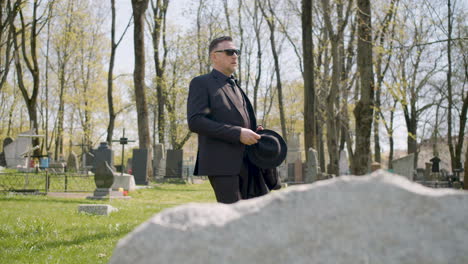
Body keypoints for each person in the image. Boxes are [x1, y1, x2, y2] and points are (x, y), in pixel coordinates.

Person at [187, 36, 265, 204]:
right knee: (233, 217)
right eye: (229, 52)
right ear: (214, 56)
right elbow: (196, 121)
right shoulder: (201, 83)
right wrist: (237, 133)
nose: (235, 56)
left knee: (254, 215)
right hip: (222, 164)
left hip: (249, 161)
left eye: (236, 52)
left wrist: (253, 130)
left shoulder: (235, 86)